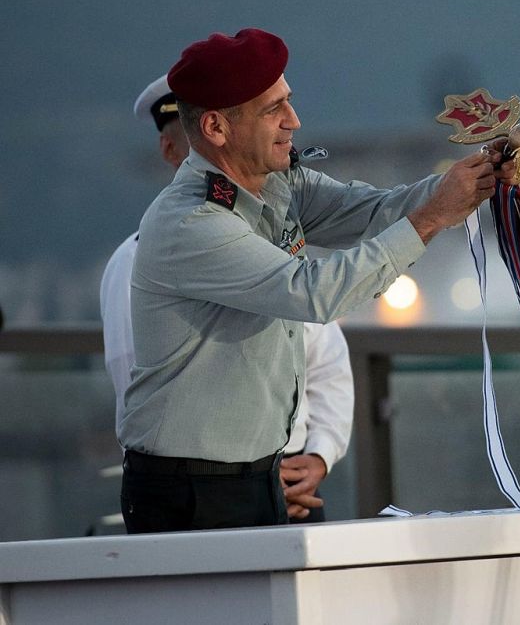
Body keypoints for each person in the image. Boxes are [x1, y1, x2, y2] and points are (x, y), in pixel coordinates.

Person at [118, 28, 516, 534]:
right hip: (191, 490)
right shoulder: (191, 222)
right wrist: (435, 215)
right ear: (217, 128)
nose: (294, 122)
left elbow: (370, 210)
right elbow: (313, 292)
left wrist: (462, 183)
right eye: (273, 110)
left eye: (289, 102)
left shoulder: (278, 184)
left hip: (258, 474)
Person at [101, 75, 353, 524]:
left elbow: (325, 358)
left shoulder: (273, 232)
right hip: (208, 479)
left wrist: (318, 457)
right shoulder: (140, 256)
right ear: (172, 152)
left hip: (289, 475)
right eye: (193, 148)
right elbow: (135, 380)